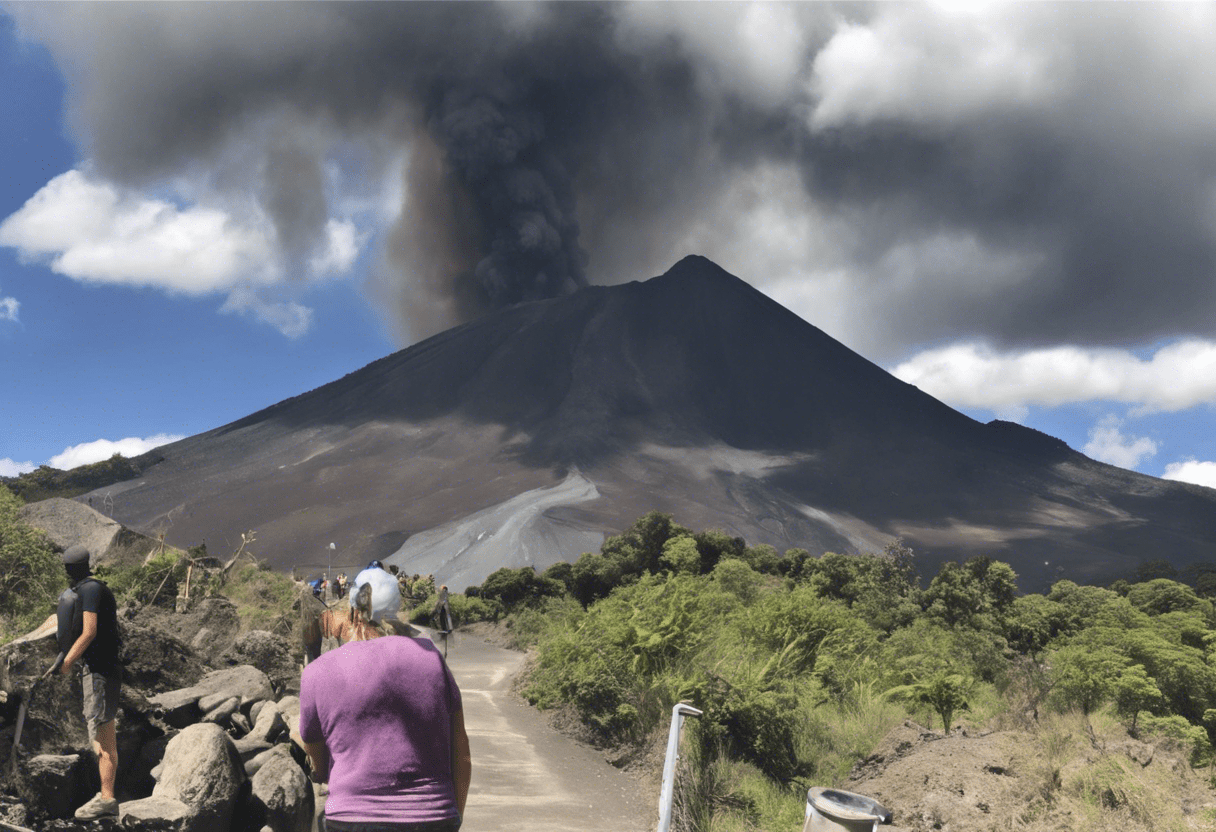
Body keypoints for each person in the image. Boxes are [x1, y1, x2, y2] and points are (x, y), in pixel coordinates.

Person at [299, 583, 472, 831]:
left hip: (351, 818)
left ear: (351, 614)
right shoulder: (432, 658)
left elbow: (317, 759)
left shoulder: (317, 670)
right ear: (398, 610)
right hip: (433, 816)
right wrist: (455, 816)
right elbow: (462, 755)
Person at [31, 544, 123, 819]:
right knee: (101, 733)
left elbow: (89, 631)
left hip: (100, 671)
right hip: (97, 670)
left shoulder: (90, 589)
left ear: (73, 569)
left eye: (67, 568)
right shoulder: (87, 589)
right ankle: (106, 796)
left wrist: (67, 662)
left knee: (103, 738)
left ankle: (107, 799)